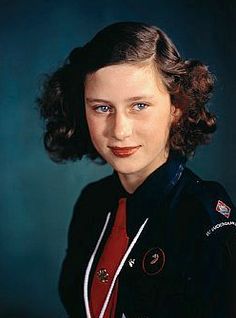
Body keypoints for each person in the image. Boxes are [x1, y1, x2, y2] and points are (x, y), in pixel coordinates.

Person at [38, 22, 236, 318]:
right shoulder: (92, 203)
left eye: (139, 105)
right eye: (102, 108)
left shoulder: (201, 212)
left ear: (176, 107)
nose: (119, 130)